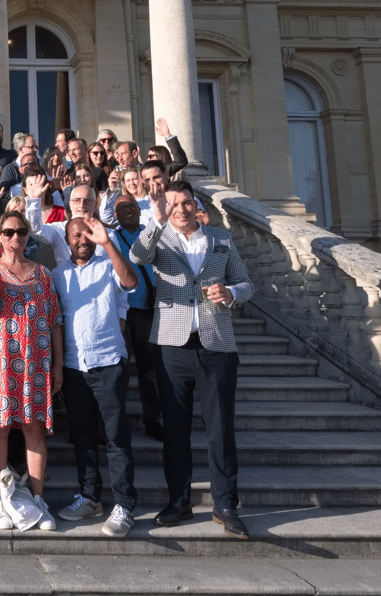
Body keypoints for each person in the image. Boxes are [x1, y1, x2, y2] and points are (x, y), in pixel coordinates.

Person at [129, 180, 254, 539]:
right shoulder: (160, 238)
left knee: (221, 430)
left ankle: (225, 505)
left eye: (185, 202)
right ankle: (178, 501)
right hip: (172, 346)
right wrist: (156, 218)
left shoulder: (220, 239)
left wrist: (231, 292)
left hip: (217, 345)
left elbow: (246, 284)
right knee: (175, 429)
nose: (180, 209)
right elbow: (137, 257)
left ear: (195, 205)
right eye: (173, 204)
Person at [50, 214, 141, 537]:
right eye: (76, 235)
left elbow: (130, 281)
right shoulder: (57, 275)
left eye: (87, 234)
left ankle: (124, 505)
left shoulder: (107, 265)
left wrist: (107, 243)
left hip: (108, 362)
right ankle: (90, 497)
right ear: (66, 240)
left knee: (116, 437)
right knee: (83, 437)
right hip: (75, 366)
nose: (82, 240)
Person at [0, 210, 63, 531]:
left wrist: (58, 364)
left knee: (34, 429)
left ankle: (38, 500)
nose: (16, 237)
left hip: (36, 362)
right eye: (9, 232)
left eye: (21, 231)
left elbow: (55, 321)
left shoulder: (43, 273)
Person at [110, 193, 164, 442]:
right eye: (122, 208)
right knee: (119, 369)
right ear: (115, 215)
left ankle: (153, 420)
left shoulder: (153, 235)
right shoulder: (112, 238)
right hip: (121, 313)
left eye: (132, 206)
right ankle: (118, 421)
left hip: (148, 311)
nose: (128, 210)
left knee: (150, 368)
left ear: (140, 210)